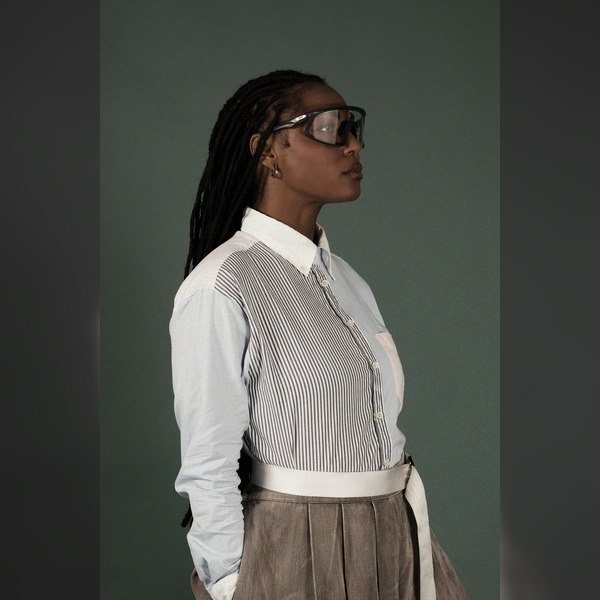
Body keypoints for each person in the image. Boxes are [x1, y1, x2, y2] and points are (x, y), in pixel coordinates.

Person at [169, 69, 468, 600]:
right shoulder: (223, 283)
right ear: (267, 150)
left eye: (354, 127)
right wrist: (233, 583)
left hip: (395, 538)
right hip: (294, 549)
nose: (353, 144)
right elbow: (208, 461)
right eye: (330, 127)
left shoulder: (348, 281)